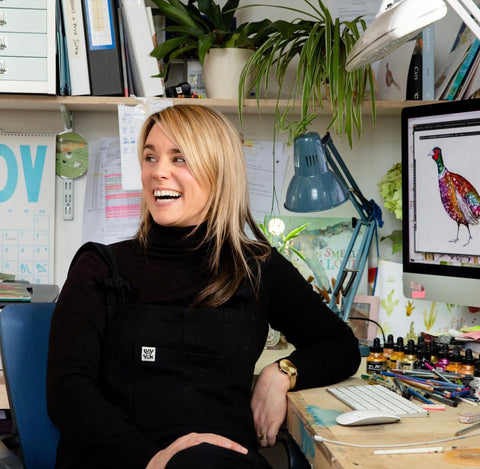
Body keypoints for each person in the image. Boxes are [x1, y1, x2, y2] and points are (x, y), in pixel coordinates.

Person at [46, 104, 361, 469]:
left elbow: (340, 346)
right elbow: (68, 392)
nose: (157, 172)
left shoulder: (256, 267)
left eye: (179, 158)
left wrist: (282, 373)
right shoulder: (99, 266)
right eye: (150, 157)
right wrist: (153, 461)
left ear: (218, 171)